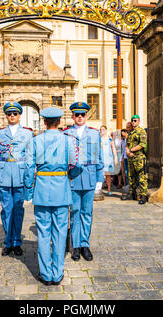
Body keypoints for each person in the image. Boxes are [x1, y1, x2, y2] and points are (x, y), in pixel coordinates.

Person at [24, 107, 80, 285]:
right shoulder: (68, 141)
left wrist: (28, 190)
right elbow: (74, 164)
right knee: (60, 232)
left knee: (43, 232)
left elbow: (28, 168)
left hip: (42, 188)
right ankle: (57, 273)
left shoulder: (35, 140)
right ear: (59, 122)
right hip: (62, 190)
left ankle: (46, 274)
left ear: (44, 122)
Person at [0, 102, 33, 256]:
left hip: (20, 175)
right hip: (4, 175)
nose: (12, 116)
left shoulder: (27, 134)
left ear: (19, 115)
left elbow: (30, 158)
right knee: (7, 210)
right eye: (10, 113)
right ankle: (8, 242)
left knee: (18, 210)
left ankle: (16, 242)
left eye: (15, 113)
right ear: (6, 116)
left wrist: (29, 178)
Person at [63, 102, 104, 262]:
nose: (80, 117)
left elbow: (99, 157)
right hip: (72, 178)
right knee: (74, 213)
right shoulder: (66, 134)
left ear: (87, 116)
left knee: (87, 212)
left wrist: (100, 179)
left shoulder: (94, 134)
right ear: (73, 116)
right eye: (77, 115)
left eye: (82, 115)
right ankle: (76, 246)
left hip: (89, 177)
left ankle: (85, 244)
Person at [126, 115, 148, 204]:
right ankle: (133, 194)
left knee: (142, 177)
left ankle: (143, 196)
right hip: (131, 158)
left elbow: (142, 144)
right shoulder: (130, 133)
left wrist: (131, 150)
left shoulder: (141, 131)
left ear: (138, 121)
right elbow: (127, 144)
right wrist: (128, 151)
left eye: (135, 120)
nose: (133, 122)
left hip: (139, 158)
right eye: (132, 121)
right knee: (131, 177)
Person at [100, 125, 117, 195]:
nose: (102, 131)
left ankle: (109, 189)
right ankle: (99, 190)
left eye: (103, 129)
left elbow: (113, 149)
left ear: (106, 130)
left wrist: (115, 157)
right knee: (100, 175)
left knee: (108, 175)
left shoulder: (110, 139)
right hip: (101, 159)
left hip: (108, 159)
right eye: (100, 130)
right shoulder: (99, 139)